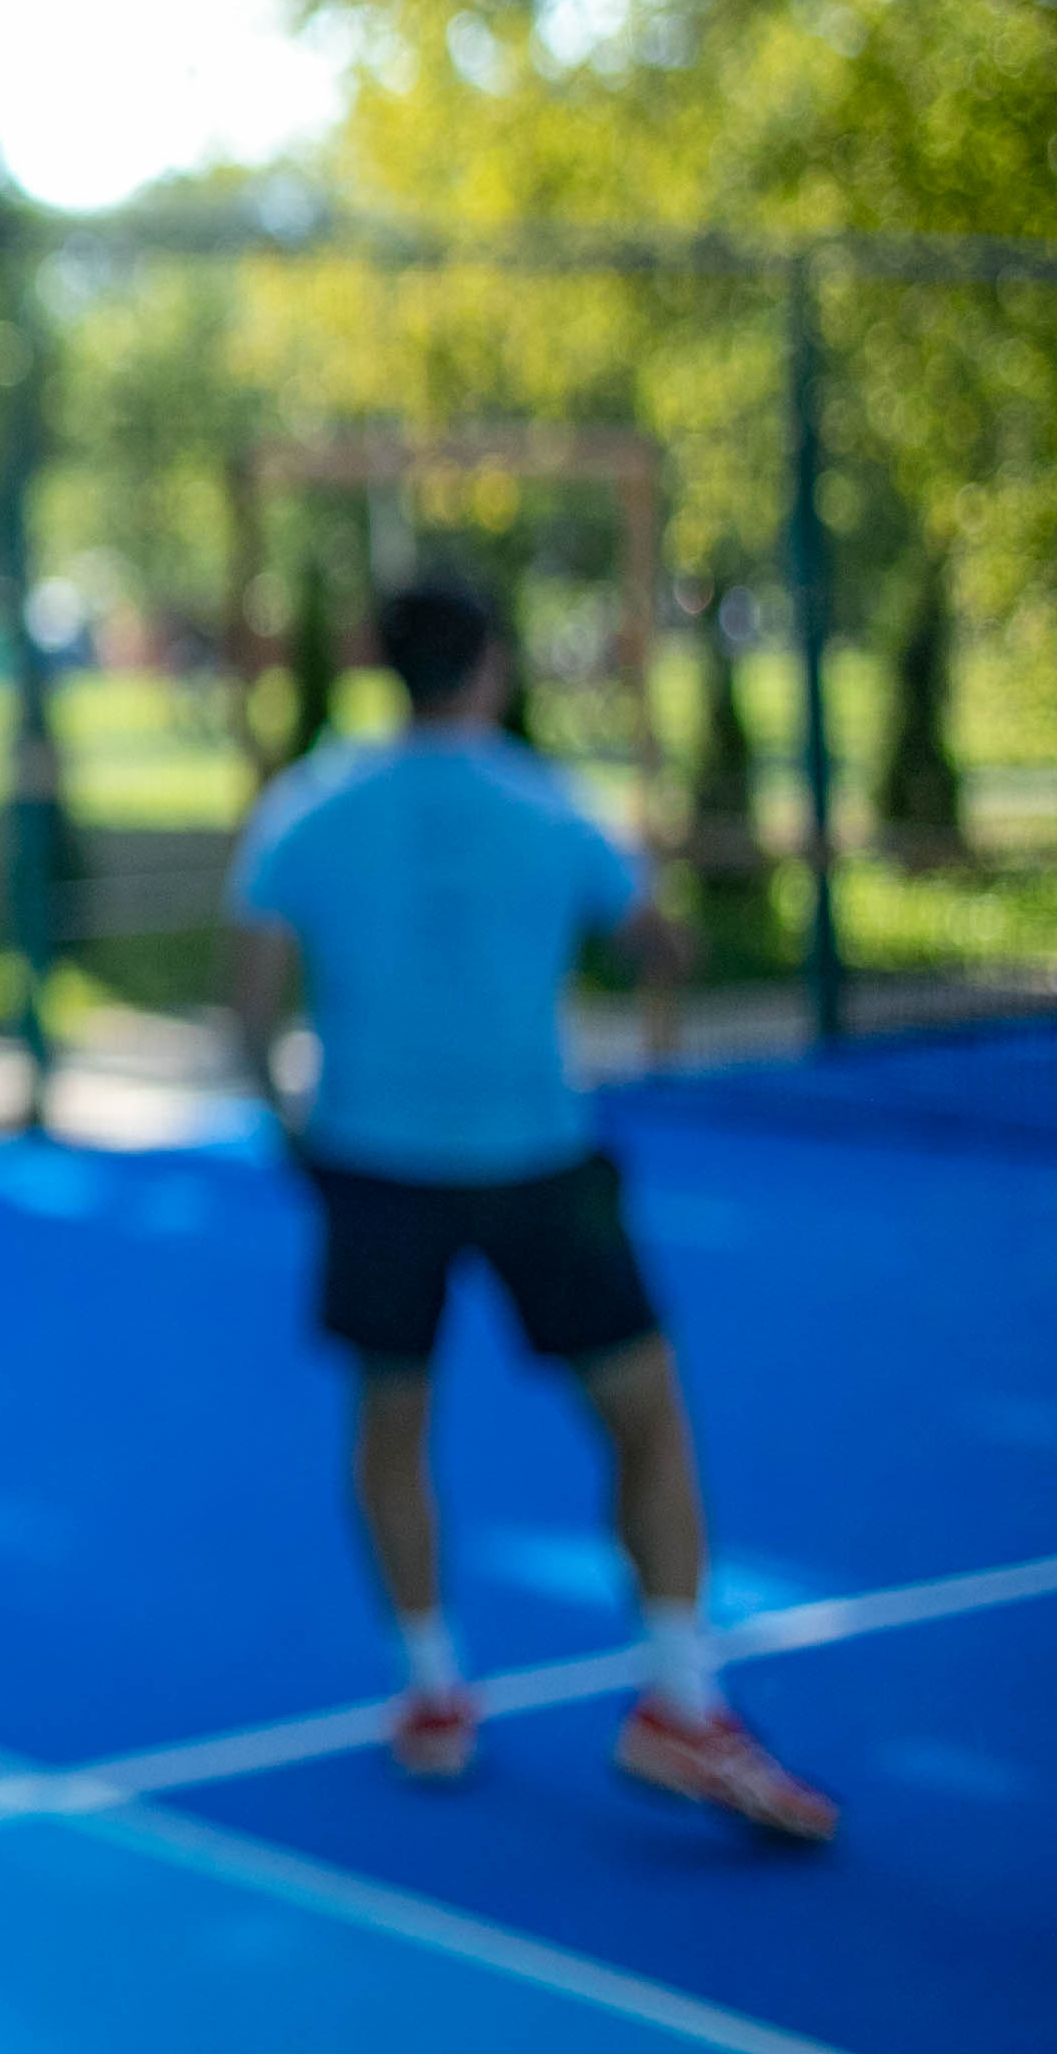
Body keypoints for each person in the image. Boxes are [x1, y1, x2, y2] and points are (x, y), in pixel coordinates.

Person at [223, 573, 835, 1841]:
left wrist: (282, 1118)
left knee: (393, 1424)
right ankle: (678, 1696)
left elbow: (251, 999)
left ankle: (434, 1689)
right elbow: (656, 948)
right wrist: (665, 919)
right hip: (537, 1164)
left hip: (374, 1163)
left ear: (384, 665)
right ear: (494, 663)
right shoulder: (556, 808)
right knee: (647, 1419)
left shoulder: (307, 806)